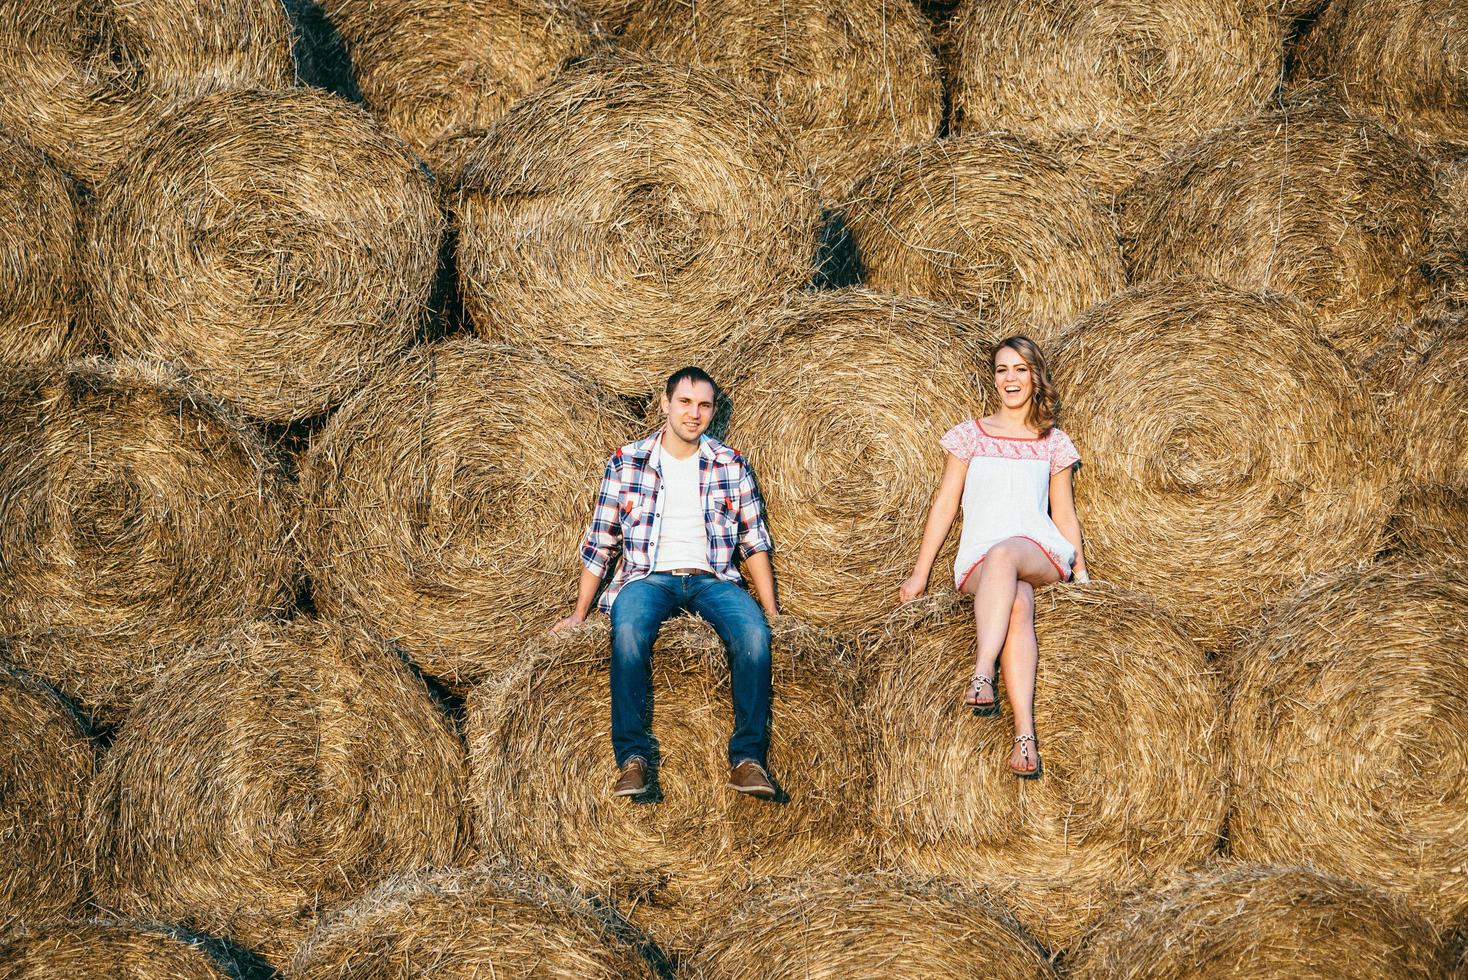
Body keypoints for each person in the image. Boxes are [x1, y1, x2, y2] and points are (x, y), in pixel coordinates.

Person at [552, 366, 780, 799]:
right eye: (685, 403)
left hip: (712, 578)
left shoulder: (730, 464)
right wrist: (580, 613)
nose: (694, 414)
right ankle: (633, 760)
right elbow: (602, 541)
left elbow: (754, 541)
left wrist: (771, 614)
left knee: (753, 635)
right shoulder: (627, 461)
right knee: (630, 631)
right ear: (665, 403)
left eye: (704, 405)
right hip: (647, 578)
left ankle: (748, 759)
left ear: (713, 411)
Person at [898, 336, 1088, 779]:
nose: (1010, 379)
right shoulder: (970, 435)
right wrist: (919, 575)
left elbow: (1063, 512)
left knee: (1007, 555)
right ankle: (1025, 737)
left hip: (1037, 549)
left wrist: (1082, 576)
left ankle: (982, 672)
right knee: (1018, 602)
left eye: (1020, 369)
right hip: (979, 559)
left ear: (1035, 376)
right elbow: (945, 504)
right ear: (994, 378)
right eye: (1002, 370)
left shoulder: (1052, 441)